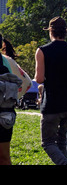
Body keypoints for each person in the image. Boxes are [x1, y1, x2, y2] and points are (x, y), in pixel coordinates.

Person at [35, 16, 67, 165]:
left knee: (48, 142)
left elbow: (38, 79)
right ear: (65, 32)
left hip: (51, 104)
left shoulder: (42, 51)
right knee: (62, 140)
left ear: (50, 31)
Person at [0, 35, 32, 165]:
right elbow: (27, 83)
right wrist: (11, 98)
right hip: (4, 115)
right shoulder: (6, 61)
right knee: (4, 157)